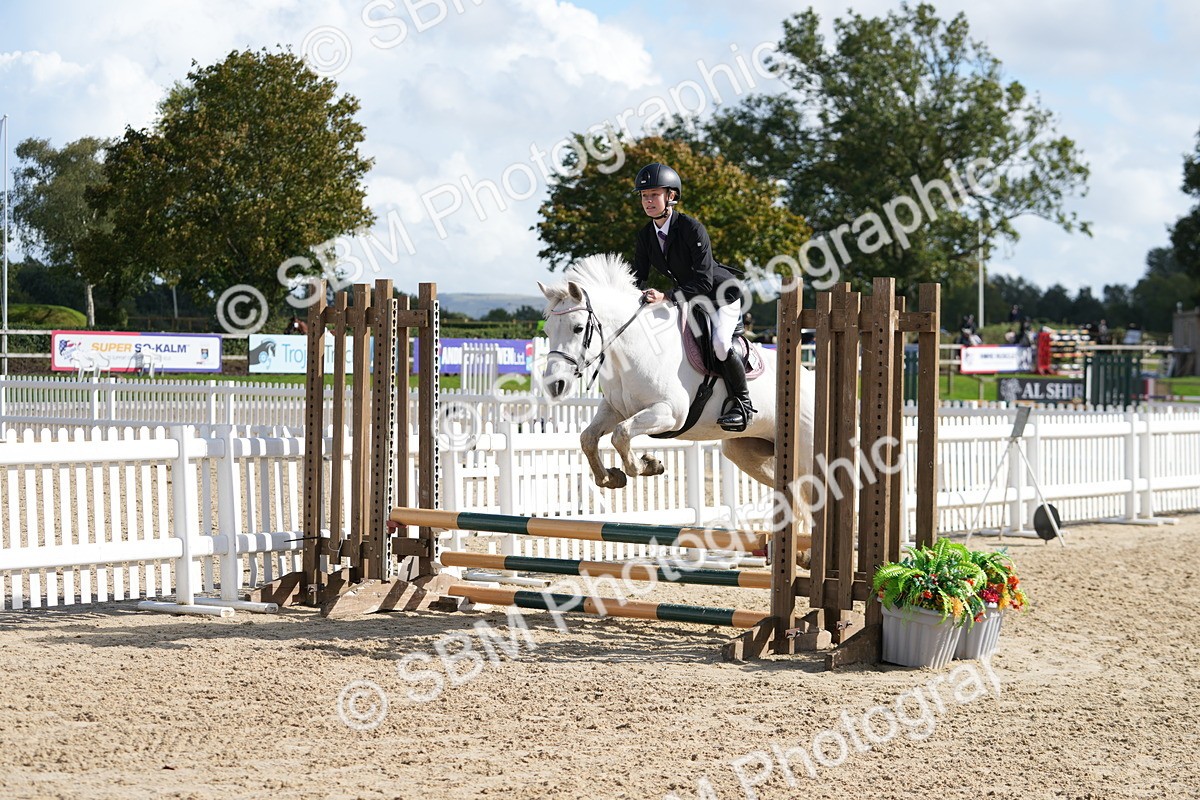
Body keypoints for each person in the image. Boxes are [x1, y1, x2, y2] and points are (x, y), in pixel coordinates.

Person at [630, 162, 753, 431]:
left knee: (720, 344)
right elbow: (636, 276)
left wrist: (666, 295)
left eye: (654, 194)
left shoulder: (691, 228)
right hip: (692, 298)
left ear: (671, 196)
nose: (648, 201)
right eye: (643, 195)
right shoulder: (645, 236)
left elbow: (703, 280)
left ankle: (743, 404)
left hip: (721, 295)